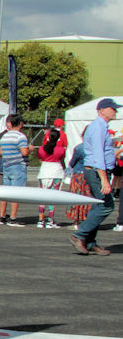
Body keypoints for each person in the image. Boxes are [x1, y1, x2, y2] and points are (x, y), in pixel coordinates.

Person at [71, 98, 118, 255]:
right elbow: (98, 156)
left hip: (96, 171)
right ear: (102, 110)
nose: (115, 111)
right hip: (97, 172)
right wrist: (104, 179)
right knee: (106, 205)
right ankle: (80, 235)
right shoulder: (98, 128)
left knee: (98, 206)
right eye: (112, 108)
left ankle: (90, 242)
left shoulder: (100, 127)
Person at [0, 115, 30, 226]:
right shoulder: (20, 136)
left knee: (6, 192)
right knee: (16, 193)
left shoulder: (4, 136)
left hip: (6, 165)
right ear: (20, 124)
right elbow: (24, 152)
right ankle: (13, 218)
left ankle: (2, 215)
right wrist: (30, 150)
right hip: (18, 166)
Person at [35, 119, 68, 228]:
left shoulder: (41, 149)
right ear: (58, 138)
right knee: (53, 196)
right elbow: (62, 159)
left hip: (44, 171)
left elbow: (40, 158)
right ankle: (50, 220)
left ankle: (40, 220)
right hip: (56, 171)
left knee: (41, 196)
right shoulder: (61, 150)